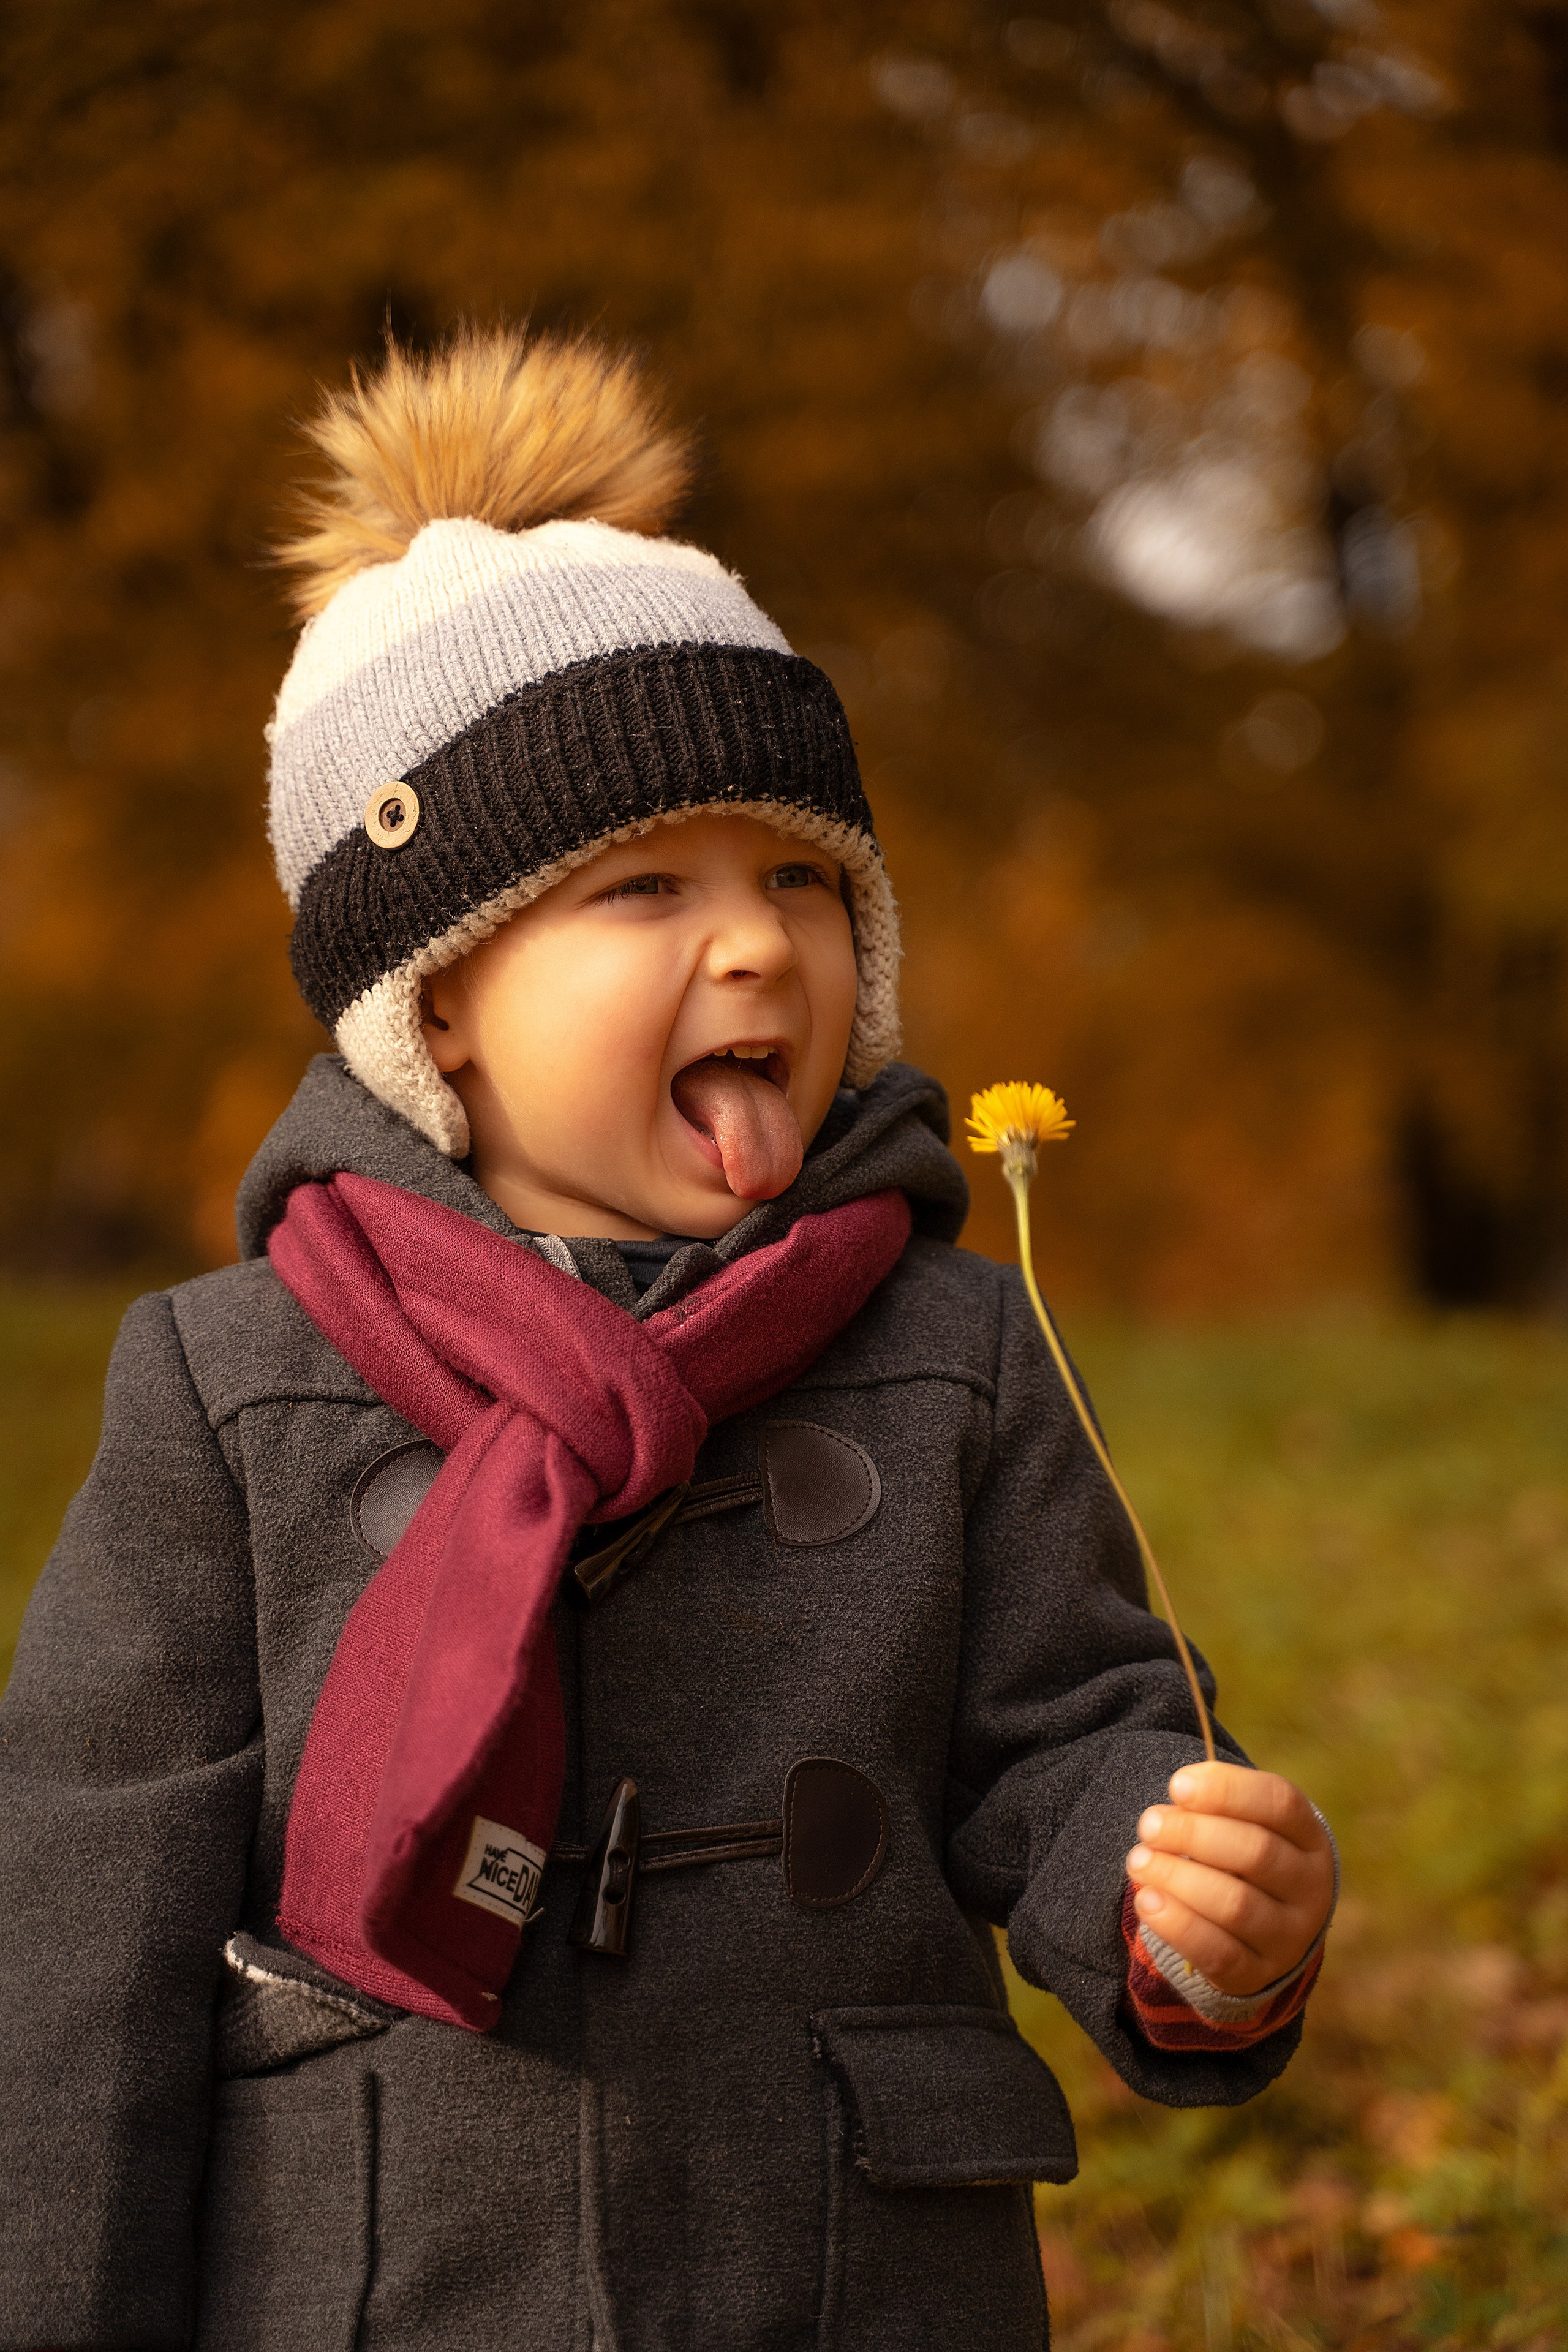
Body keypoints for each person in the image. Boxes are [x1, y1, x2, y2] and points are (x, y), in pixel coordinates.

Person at [0, 328, 1335, 2352]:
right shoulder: (235, 1384)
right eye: (643, 889)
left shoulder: (953, 1347)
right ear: (437, 1004)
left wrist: (1184, 1904)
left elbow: (1067, 1737)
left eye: (804, 877)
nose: (756, 942)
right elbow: (81, 1924)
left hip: (849, 2260)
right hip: (397, 2274)